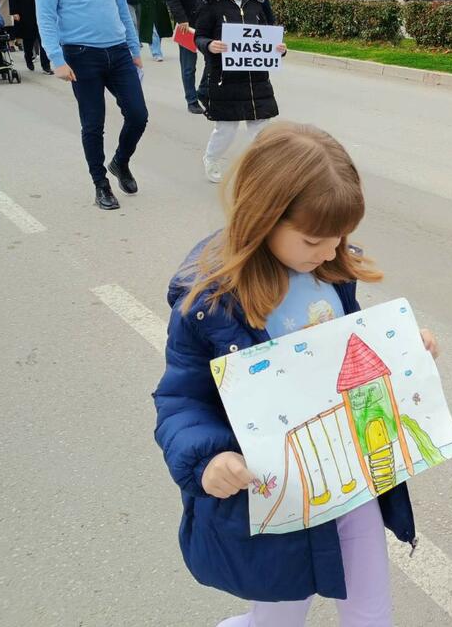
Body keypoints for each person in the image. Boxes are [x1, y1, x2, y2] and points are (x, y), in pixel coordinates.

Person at [154, 122, 437, 626]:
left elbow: (348, 351)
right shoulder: (211, 304)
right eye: (314, 239)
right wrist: (210, 458)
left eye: (339, 239)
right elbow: (182, 401)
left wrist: (404, 353)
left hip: (350, 478)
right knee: (278, 620)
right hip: (274, 497)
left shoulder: (328, 269)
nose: (330, 252)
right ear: (263, 217)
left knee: (371, 613)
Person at [36, 0, 147, 211]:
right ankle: (100, 183)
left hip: (118, 51)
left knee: (138, 115)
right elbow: (45, 16)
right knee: (93, 124)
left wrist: (134, 48)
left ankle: (120, 161)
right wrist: (56, 58)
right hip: (81, 54)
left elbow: (121, 7)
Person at [194, 0, 285, 183]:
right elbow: (200, 37)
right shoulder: (210, 3)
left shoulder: (255, 0)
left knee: (261, 128)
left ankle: (264, 169)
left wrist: (279, 49)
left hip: (256, 77)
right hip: (225, 78)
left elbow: (265, 33)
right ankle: (211, 159)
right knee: (226, 128)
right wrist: (209, 45)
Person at [164, 0, 207, 114]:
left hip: (203, 24)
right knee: (189, 66)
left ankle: (203, 92)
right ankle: (192, 100)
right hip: (186, 26)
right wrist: (181, 19)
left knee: (214, 59)